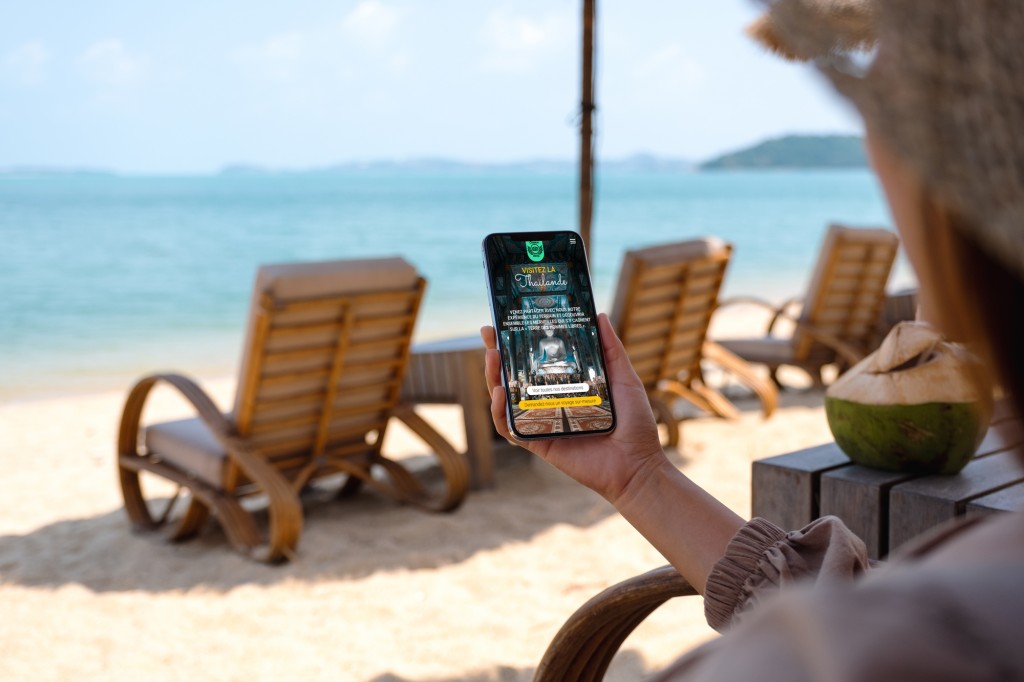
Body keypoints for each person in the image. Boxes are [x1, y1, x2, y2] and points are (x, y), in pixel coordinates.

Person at [481, 0, 1024, 678]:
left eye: (897, 116)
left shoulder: (862, 649)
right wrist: (640, 478)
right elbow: (845, 598)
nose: (875, 148)